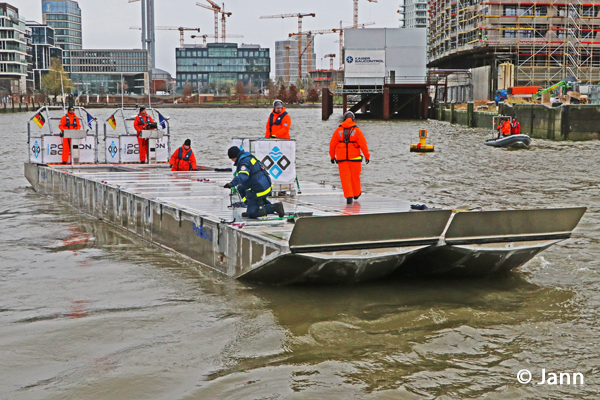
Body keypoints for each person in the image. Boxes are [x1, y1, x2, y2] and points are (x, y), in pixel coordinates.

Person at [224, 146, 285, 219]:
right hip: (264, 184)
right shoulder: (247, 156)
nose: (232, 161)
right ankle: (255, 205)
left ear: (234, 157)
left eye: (232, 159)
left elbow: (244, 176)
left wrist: (232, 183)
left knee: (252, 214)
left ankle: (274, 207)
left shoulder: (243, 162)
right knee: (240, 188)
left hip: (260, 188)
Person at [329, 111, 370, 205]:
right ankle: (356, 194)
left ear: (344, 118)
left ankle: (349, 196)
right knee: (355, 177)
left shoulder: (338, 131)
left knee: (345, 178)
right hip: (355, 158)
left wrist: (332, 156)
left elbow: (332, 145)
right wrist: (367, 156)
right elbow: (363, 145)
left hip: (342, 159)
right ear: (353, 119)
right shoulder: (357, 131)